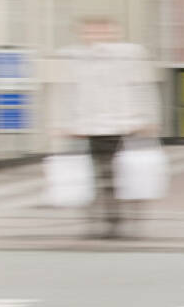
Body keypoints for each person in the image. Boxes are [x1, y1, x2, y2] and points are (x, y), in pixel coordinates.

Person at [51, 16, 160, 239]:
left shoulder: (130, 55)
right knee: (90, 177)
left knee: (126, 175)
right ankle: (98, 221)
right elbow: (64, 92)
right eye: (90, 32)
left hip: (123, 125)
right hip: (87, 127)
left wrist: (148, 118)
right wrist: (61, 123)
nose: (96, 37)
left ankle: (120, 219)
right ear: (82, 35)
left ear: (114, 33)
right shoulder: (73, 57)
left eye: (101, 32)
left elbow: (144, 88)